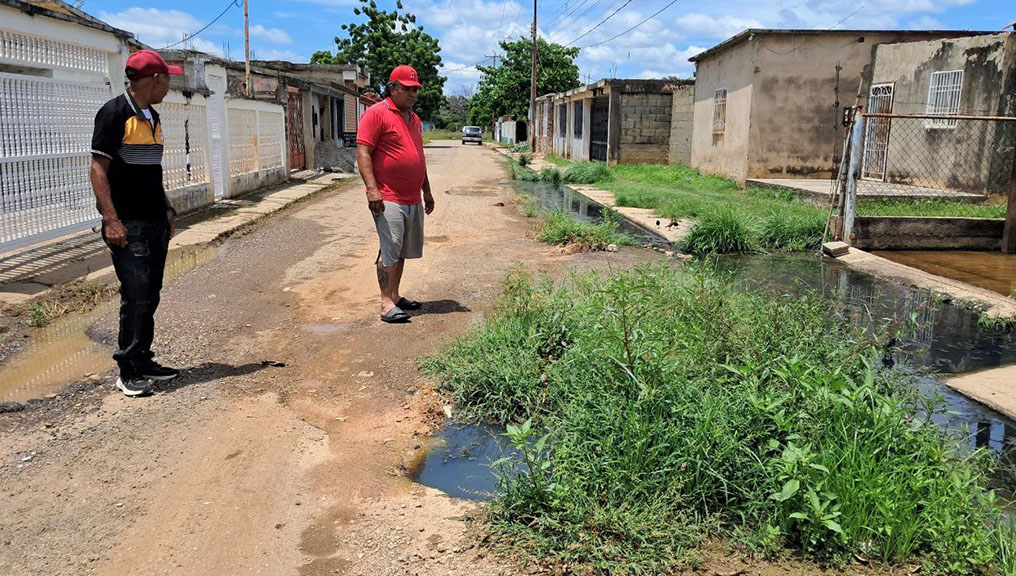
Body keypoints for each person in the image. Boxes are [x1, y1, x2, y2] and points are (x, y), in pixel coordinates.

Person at [90, 50, 183, 397]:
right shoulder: (114, 113)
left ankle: (143, 360)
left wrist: (167, 208)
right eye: (168, 79)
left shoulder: (152, 117)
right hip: (128, 224)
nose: (170, 86)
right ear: (155, 79)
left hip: (155, 220)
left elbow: (151, 172)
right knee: (137, 295)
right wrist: (111, 220)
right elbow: (98, 169)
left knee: (150, 294)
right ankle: (127, 369)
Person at [356, 65, 436, 323]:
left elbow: (418, 158)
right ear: (392, 88)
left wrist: (427, 191)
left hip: (412, 198)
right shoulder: (376, 113)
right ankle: (385, 303)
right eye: (407, 89)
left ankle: (395, 295)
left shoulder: (413, 118)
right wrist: (372, 190)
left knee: (400, 251)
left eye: (416, 90)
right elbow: (363, 152)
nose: (413, 94)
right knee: (389, 249)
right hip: (388, 197)